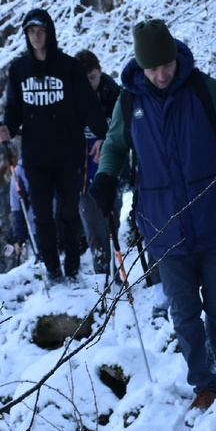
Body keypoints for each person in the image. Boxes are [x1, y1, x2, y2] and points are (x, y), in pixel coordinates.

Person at [90, 18, 216, 410]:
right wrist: (105, 176)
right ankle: (204, 383)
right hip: (163, 227)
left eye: (166, 65)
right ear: (141, 66)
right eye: (152, 68)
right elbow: (116, 146)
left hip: (214, 217)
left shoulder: (204, 89)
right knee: (184, 312)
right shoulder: (130, 102)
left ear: (176, 56)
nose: (161, 75)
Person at [0, 8, 110, 283]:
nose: (35, 36)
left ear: (49, 33)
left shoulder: (69, 67)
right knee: (42, 215)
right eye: (31, 31)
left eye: (40, 30)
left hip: (69, 153)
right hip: (35, 155)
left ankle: (72, 267)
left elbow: (88, 106)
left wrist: (104, 135)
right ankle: (52, 269)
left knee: (69, 212)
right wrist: (6, 128)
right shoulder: (19, 70)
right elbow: (14, 110)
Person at [74, 49, 121, 277]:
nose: (89, 84)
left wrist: (106, 139)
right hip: (84, 176)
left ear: (100, 72)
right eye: (84, 80)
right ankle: (103, 276)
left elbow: (124, 128)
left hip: (112, 172)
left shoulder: (114, 95)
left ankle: (115, 270)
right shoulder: (71, 100)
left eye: (92, 77)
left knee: (113, 224)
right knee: (94, 230)